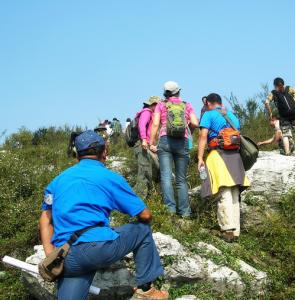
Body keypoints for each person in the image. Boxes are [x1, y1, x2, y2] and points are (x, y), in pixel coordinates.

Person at [39, 130, 168, 300]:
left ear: (77, 154)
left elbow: (45, 220)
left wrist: (51, 255)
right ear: (104, 152)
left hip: (66, 258)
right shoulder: (109, 177)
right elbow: (145, 215)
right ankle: (145, 289)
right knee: (142, 229)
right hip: (96, 249)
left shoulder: (57, 180)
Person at [197, 93, 250, 242]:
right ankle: (236, 231)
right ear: (220, 103)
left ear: (208, 103)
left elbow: (202, 136)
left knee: (224, 192)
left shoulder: (208, 115)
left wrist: (200, 157)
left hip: (218, 155)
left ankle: (227, 229)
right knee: (234, 193)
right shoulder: (232, 116)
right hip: (235, 157)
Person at [149, 81, 199, 218]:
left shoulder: (161, 105)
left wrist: (151, 141)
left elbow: (155, 123)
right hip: (182, 141)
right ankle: (185, 212)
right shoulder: (186, 105)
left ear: (166, 92)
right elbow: (195, 123)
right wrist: (189, 133)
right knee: (181, 179)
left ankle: (170, 210)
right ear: (178, 91)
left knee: (166, 176)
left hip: (165, 140)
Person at [265, 77, 295, 155]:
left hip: (284, 117)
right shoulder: (289, 88)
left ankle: (287, 152)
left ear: (275, 85)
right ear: (283, 83)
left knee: (286, 135)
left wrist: (270, 113)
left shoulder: (273, 93)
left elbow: (266, 102)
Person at [134, 96, 161, 199]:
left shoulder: (149, 113)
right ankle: (140, 200)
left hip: (146, 145)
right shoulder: (146, 112)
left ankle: (149, 197)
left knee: (150, 171)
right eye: (157, 105)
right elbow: (142, 125)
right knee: (144, 173)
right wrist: (144, 140)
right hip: (142, 145)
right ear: (153, 105)